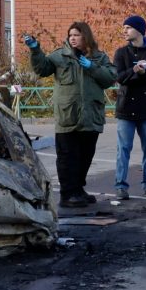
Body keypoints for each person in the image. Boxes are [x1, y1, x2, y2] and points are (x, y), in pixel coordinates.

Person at [25, 22, 116, 207]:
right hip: (68, 115)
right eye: (70, 35)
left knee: (85, 155)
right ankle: (67, 194)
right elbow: (42, 69)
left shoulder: (99, 57)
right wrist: (35, 51)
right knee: (67, 156)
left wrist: (92, 67)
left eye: (77, 35)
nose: (72, 38)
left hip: (91, 115)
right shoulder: (60, 56)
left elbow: (109, 79)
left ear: (86, 37)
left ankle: (78, 189)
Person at [112, 15, 146, 200]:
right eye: (124, 28)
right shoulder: (121, 53)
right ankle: (120, 186)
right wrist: (135, 71)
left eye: (128, 27)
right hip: (126, 108)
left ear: (139, 30)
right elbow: (119, 77)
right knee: (123, 148)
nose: (124, 31)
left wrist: (142, 74)